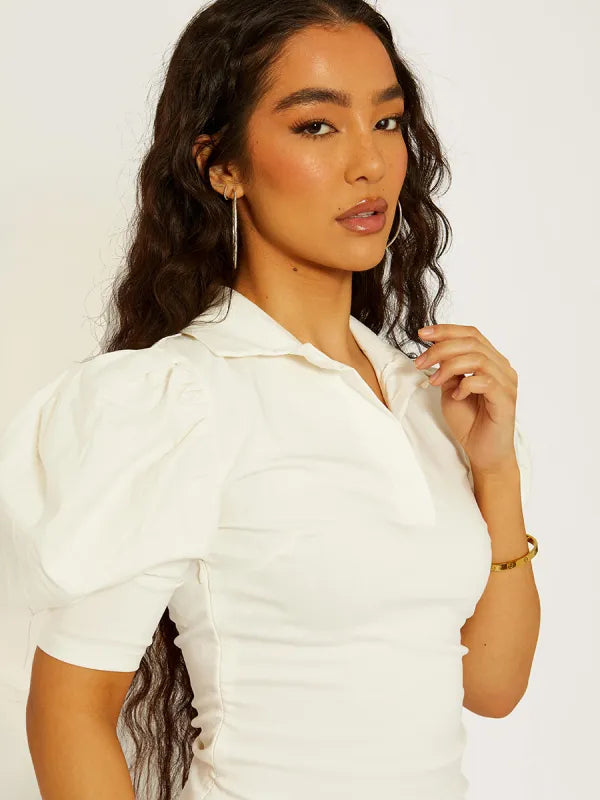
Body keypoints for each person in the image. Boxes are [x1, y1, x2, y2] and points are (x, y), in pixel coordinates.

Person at [0, 1, 539, 799]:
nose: (369, 163)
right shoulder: (180, 398)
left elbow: (492, 686)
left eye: (387, 122)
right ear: (222, 165)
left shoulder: (424, 392)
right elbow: (70, 711)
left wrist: (495, 469)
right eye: (317, 126)